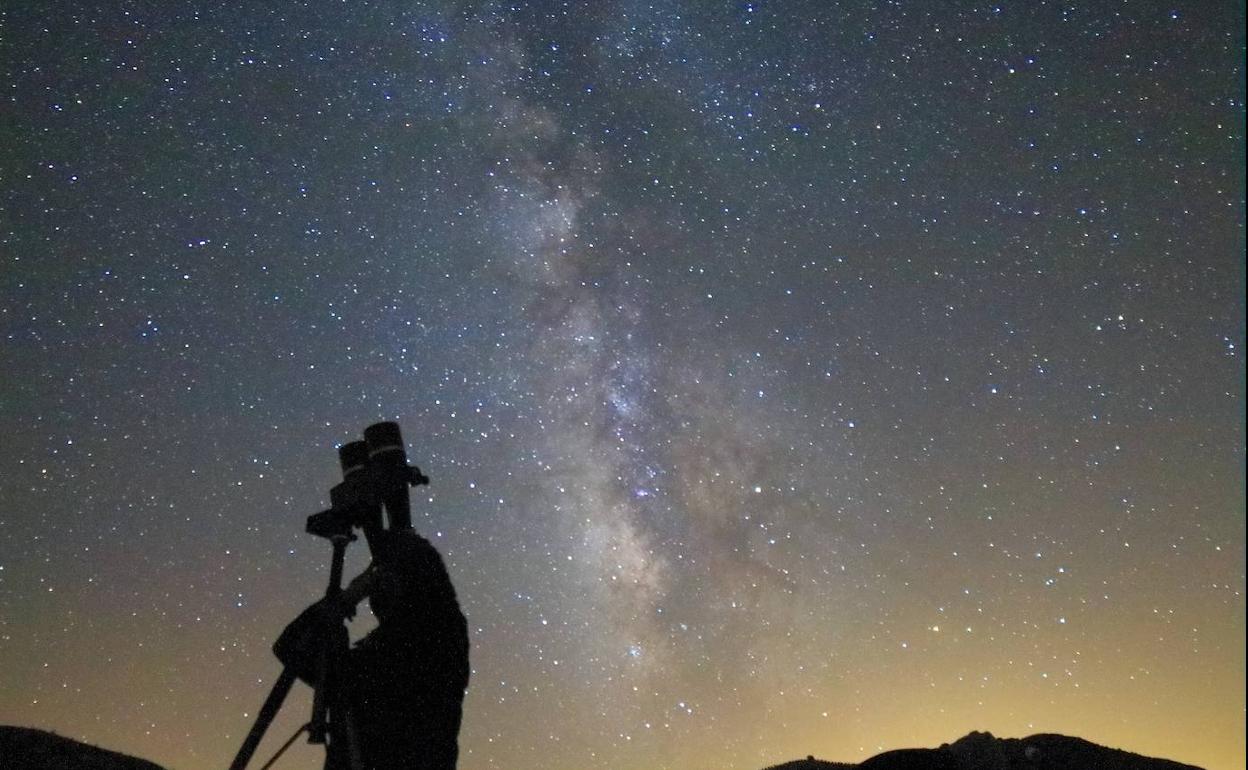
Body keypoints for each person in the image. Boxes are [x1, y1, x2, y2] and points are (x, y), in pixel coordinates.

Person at [274, 527, 470, 770]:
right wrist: (345, 600)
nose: (376, 587)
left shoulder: (435, 641)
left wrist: (346, 600)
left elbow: (290, 648)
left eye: (384, 578)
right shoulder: (376, 660)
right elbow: (288, 648)